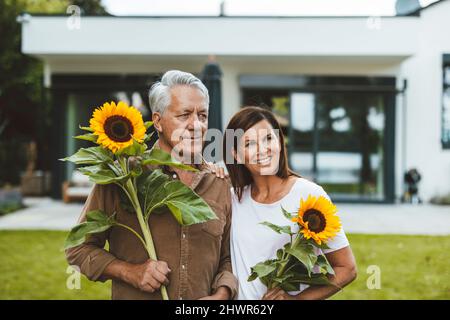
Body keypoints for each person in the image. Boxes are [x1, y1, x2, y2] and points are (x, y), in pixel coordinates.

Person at [65, 70, 237, 300]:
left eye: (203, 116)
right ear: (157, 121)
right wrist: (130, 272)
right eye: (184, 115)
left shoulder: (219, 183)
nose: (197, 125)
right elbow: (78, 250)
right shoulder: (125, 177)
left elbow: (227, 258)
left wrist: (223, 294)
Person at [223, 106, 357, 300]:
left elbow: (347, 268)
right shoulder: (232, 199)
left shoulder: (309, 195)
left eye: (268, 138)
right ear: (236, 154)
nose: (262, 149)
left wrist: (296, 300)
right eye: (250, 143)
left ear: (279, 140)